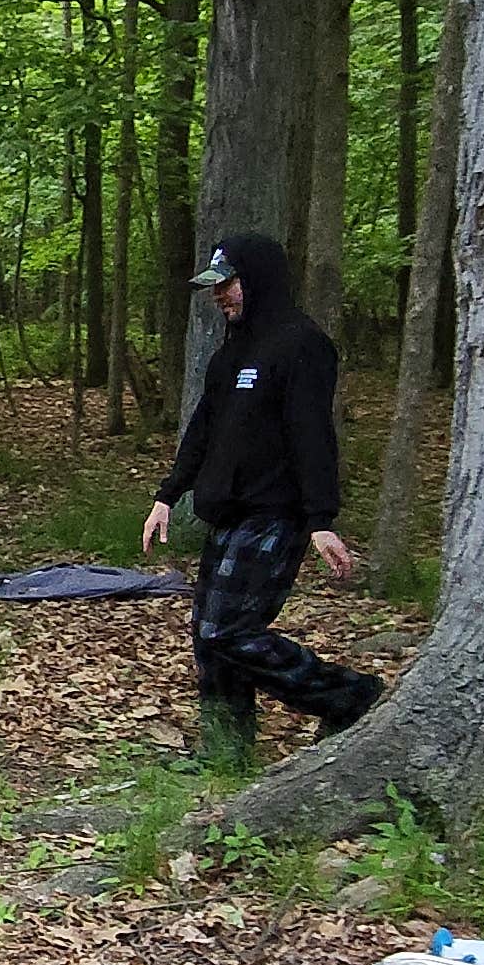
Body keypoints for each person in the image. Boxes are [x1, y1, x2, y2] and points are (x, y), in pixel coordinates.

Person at [157, 230, 379, 762]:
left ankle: (349, 697)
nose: (219, 296)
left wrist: (321, 518)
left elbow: (312, 436)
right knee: (208, 637)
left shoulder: (301, 344)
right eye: (215, 287)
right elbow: (203, 430)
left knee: (229, 630)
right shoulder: (229, 354)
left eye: (227, 284)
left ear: (256, 280)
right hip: (228, 513)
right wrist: (169, 495)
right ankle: (225, 750)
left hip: (276, 515)